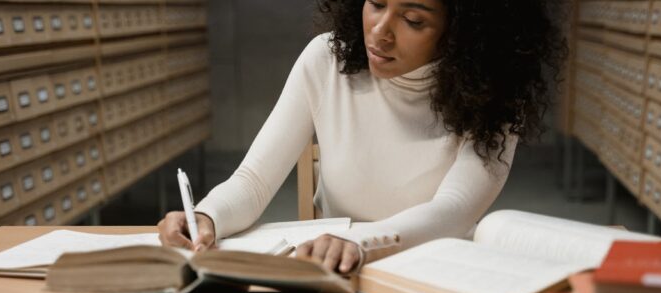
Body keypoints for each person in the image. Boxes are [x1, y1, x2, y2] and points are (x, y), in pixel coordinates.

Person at [158, 0, 566, 273]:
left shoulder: (495, 96)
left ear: (461, 33)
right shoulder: (326, 60)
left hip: (434, 274)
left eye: (413, 20)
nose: (380, 32)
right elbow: (254, 181)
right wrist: (207, 216)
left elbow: (454, 210)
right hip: (337, 276)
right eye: (376, 3)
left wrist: (358, 243)